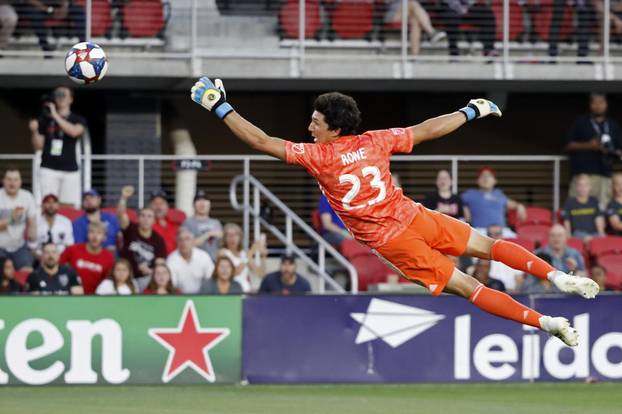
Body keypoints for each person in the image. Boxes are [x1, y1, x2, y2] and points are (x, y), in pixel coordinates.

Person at [192, 77, 601, 346]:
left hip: (395, 240)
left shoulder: (317, 156)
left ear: (334, 129)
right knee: (490, 246)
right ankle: (557, 276)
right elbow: (426, 130)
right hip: (414, 214)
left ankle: (546, 323)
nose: (310, 125)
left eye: (316, 121)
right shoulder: (376, 141)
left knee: (468, 287)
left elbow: (261, 141)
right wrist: (471, 110)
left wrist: (218, 105)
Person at [29, 87, 87, 208]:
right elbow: (38, 146)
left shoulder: (77, 119)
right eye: (57, 95)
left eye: (63, 95)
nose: (60, 97)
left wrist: (55, 115)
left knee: (68, 204)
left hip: (70, 168)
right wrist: (34, 131)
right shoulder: (44, 119)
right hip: (48, 167)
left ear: (71, 99)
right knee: (48, 203)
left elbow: (74, 132)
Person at [565, 93, 621, 206]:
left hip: (605, 176)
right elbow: (568, 146)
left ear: (606, 104)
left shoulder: (612, 125)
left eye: (601, 102)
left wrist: (611, 151)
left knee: (603, 211)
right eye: (595, 103)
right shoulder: (581, 122)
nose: (598, 106)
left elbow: (619, 149)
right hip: (584, 175)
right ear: (590, 105)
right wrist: (589, 145)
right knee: (579, 209)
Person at [117, 186, 167, 290]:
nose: (146, 219)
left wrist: (149, 271)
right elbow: (121, 214)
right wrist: (124, 198)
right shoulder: (130, 229)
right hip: (126, 277)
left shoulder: (158, 240)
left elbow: (161, 266)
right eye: (143, 216)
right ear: (138, 218)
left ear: (154, 220)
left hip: (146, 279)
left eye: (149, 216)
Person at [461, 166, 526, 236]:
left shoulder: (499, 194)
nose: (486, 179)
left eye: (489, 176)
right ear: (477, 181)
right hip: (481, 231)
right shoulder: (470, 194)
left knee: (518, 242)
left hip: (502, 231)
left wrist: (519, 206)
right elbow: (456, 202)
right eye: (483, 176)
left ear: (495, 181)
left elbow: (511, 204)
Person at [60, 220, 115, 295]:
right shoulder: (72, 250)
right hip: (71, 296)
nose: (95, 236)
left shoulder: (109, 258)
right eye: (91, 232)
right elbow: (57, 267)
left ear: (104, 237)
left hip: (95, 298)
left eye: (99, 233)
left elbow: (107, 283)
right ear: (87, 234)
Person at [0, 168, 37, 272]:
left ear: (20, 182)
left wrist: (33, 244)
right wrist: (11, 218)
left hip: (19, 246)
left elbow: (32, 222)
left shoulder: (27, 196)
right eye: (9, 179)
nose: (12, 183)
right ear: (3, 181)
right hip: (0, 247)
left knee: (28, 273)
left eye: (16, 179)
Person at [18, 1, 85, 53]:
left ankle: (83, 47)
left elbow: (66, 3)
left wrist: (65, 7)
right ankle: (46, 48)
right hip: (40, 8)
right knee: (33, 14)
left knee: (79, 11)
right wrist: (49, 10)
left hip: (59, 7)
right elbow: (30, 1)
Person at [219, 222, 267, 293]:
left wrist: (263, 257)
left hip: (246, 291)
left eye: (235, 235)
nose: (232, 238)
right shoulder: (223, 252)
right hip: (231, 292)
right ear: (225, 238)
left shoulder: (244, 254)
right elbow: (233, 273)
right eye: (229, 235)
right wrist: (251, 251)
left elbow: (260, 274)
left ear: (240, 237)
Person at [166, 228, 214, 294]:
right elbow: (171, 285)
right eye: (180, 239)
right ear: (177, 242)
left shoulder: (203, 256)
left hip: (202, 296)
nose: (184, 243)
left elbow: (211, 279)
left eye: (187, 239)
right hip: (179, 298)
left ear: (193, 241)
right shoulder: (171, 260)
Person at [181, 190, 223, 261]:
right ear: (194, 204)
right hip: (196, 261)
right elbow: (187, 245)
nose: (202, 204)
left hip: (215, 262)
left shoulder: (216, 223)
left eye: (205, 201)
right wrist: (209, 234)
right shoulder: (188, 223)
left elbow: (222, 244)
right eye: (199, 201)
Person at [562, 174, 606, 240]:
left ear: (590, 187)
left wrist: (601, 233)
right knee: (586, 237)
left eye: (586, 185)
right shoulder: (569, 202)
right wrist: (568, 236)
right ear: (576, 187)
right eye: (580, 185)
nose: (583, 188)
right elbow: (567, 221)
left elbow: (599, 218)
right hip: (577, 234)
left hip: (594, 234)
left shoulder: (595, 201)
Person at [485, 224, 524, 293]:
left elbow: (519, 278)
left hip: (511, 293)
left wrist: (516, 293)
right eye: (490, 235)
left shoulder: (513, 255)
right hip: (490, 292)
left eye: (497, 234)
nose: (493, 237)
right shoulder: (481, 256)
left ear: (502, 236)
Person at [36, 193, 74, 257]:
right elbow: (32, 247)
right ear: (42, 205)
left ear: (58, 206)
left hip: (62, 257)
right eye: (48, 202)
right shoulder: (36, 222)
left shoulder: (66, 221)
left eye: (54, 202)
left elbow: (69, 245)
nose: (51, 205)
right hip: (41, 257)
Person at [150, 189, 179, 255]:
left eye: (161, 203)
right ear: (150, 206)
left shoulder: (175, 226)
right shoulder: (147, 225)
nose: (158, 207)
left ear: (167, 206)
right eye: (155, 203)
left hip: (173, 261)